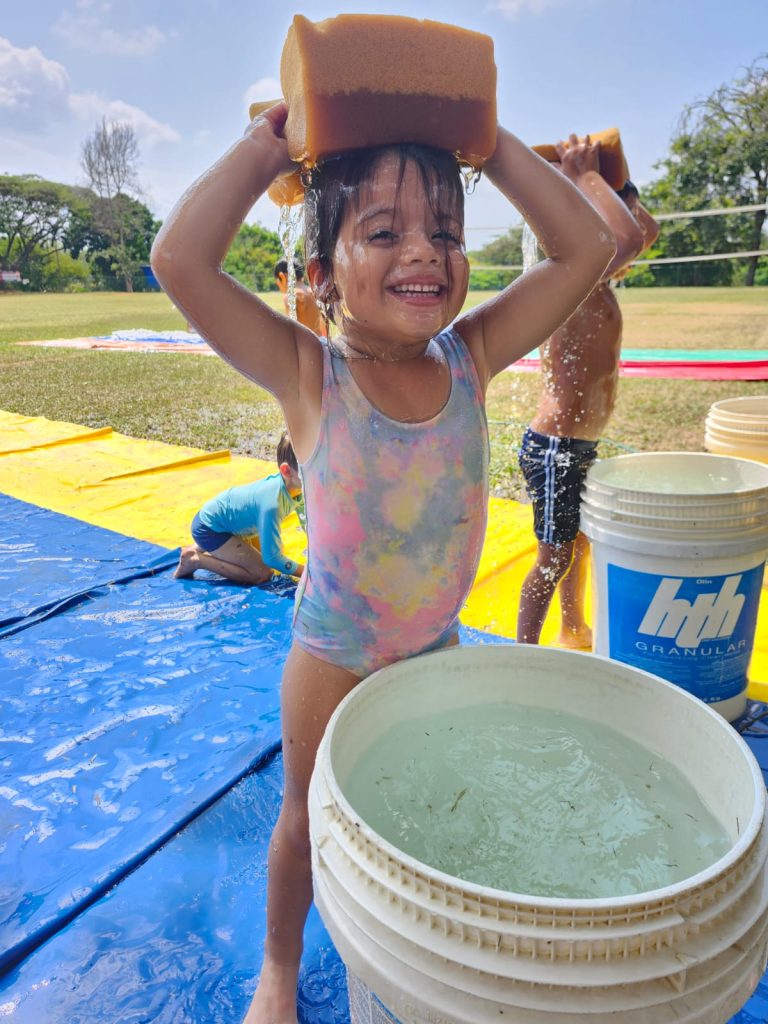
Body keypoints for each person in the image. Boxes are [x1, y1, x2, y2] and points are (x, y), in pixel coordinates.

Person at [151, 102, 615, 1024]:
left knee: (436, 802)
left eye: (446, 231)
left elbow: (585, 249)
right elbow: (180, 262)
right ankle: (279, 966)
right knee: (303, 821)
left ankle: (429, 938)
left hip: (435, 644)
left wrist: (491, 144)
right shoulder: (309, 374)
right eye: (384, 232)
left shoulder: (472, 355)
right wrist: (264, 151)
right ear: (323, 274)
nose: (424, 253)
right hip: (334, 652)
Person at [516, 152, 659, 649]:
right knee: (553, 557)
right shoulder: (574, 277)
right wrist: (585, 177)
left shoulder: (597, 279)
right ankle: (524, 653)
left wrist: (621, 186)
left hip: (576, 446)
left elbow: (646, 230)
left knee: (577, 545)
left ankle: (573, 628)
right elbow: (631, 239)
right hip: (555, 447)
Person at [174, 431, 304, 584]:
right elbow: (272, 558)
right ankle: (195, 559)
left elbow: (309, 522)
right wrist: (306, 572)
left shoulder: (298, 487)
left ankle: (205, 547)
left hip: (232, 524)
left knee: (275, 550)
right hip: (209, 529)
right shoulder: (272, 504)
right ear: (287, 471)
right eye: (310, 470)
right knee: (263, 573)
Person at [274, 258, 328, 336]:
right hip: (319, 341)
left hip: (303, 342)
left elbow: (291, 331)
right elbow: (324, 326)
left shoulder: (290, 296)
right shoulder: (314, 293)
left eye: (277, 283)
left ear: (282, 276)